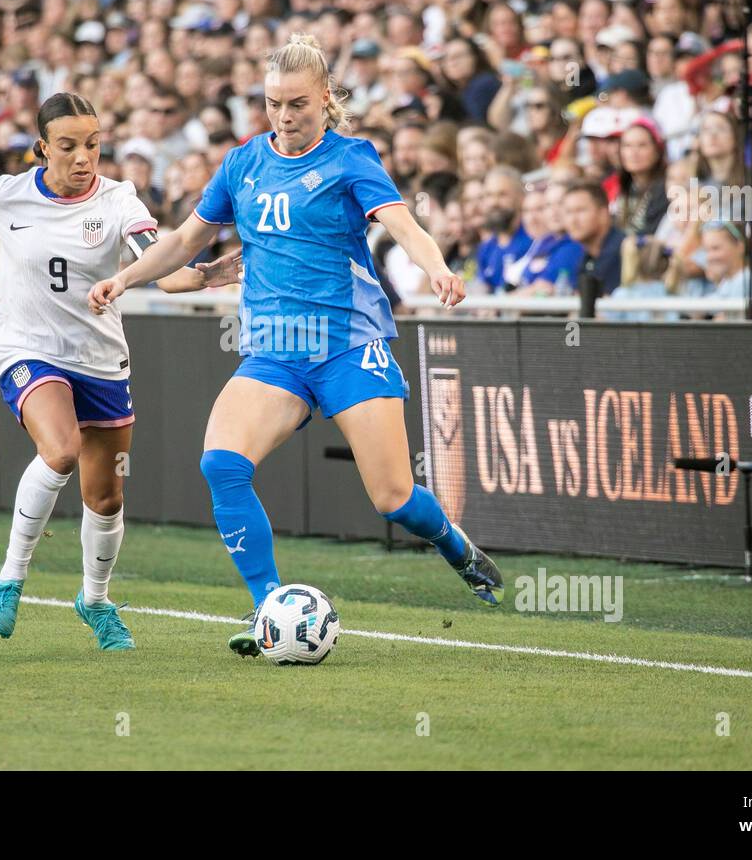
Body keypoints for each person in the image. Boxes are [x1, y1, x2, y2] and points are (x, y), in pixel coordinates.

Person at [88, 34, 506, 657]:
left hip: (348, 345)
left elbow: (402, 224)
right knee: (222, 465)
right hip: (275, 351)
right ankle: (270, 610)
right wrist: (125, 277)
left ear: (325, 99)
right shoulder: (242, 164)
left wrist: (437, 268)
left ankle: (453, 542)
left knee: (393, 498)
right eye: (273, 103)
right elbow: (183, 243)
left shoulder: (351, 158)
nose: (284, 118)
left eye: (298, 105)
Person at [0, 92, 242, 651]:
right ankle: (9, 579)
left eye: (92, 144)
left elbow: (162, 271)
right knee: (61, 450)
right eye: (67, 146)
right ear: (42, 148)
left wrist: (205, 276)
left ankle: (95, 601)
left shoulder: (119, 201)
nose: (82, 157)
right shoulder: (7, 195)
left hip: (100, 360)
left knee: (107, 496)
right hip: (26, 349)